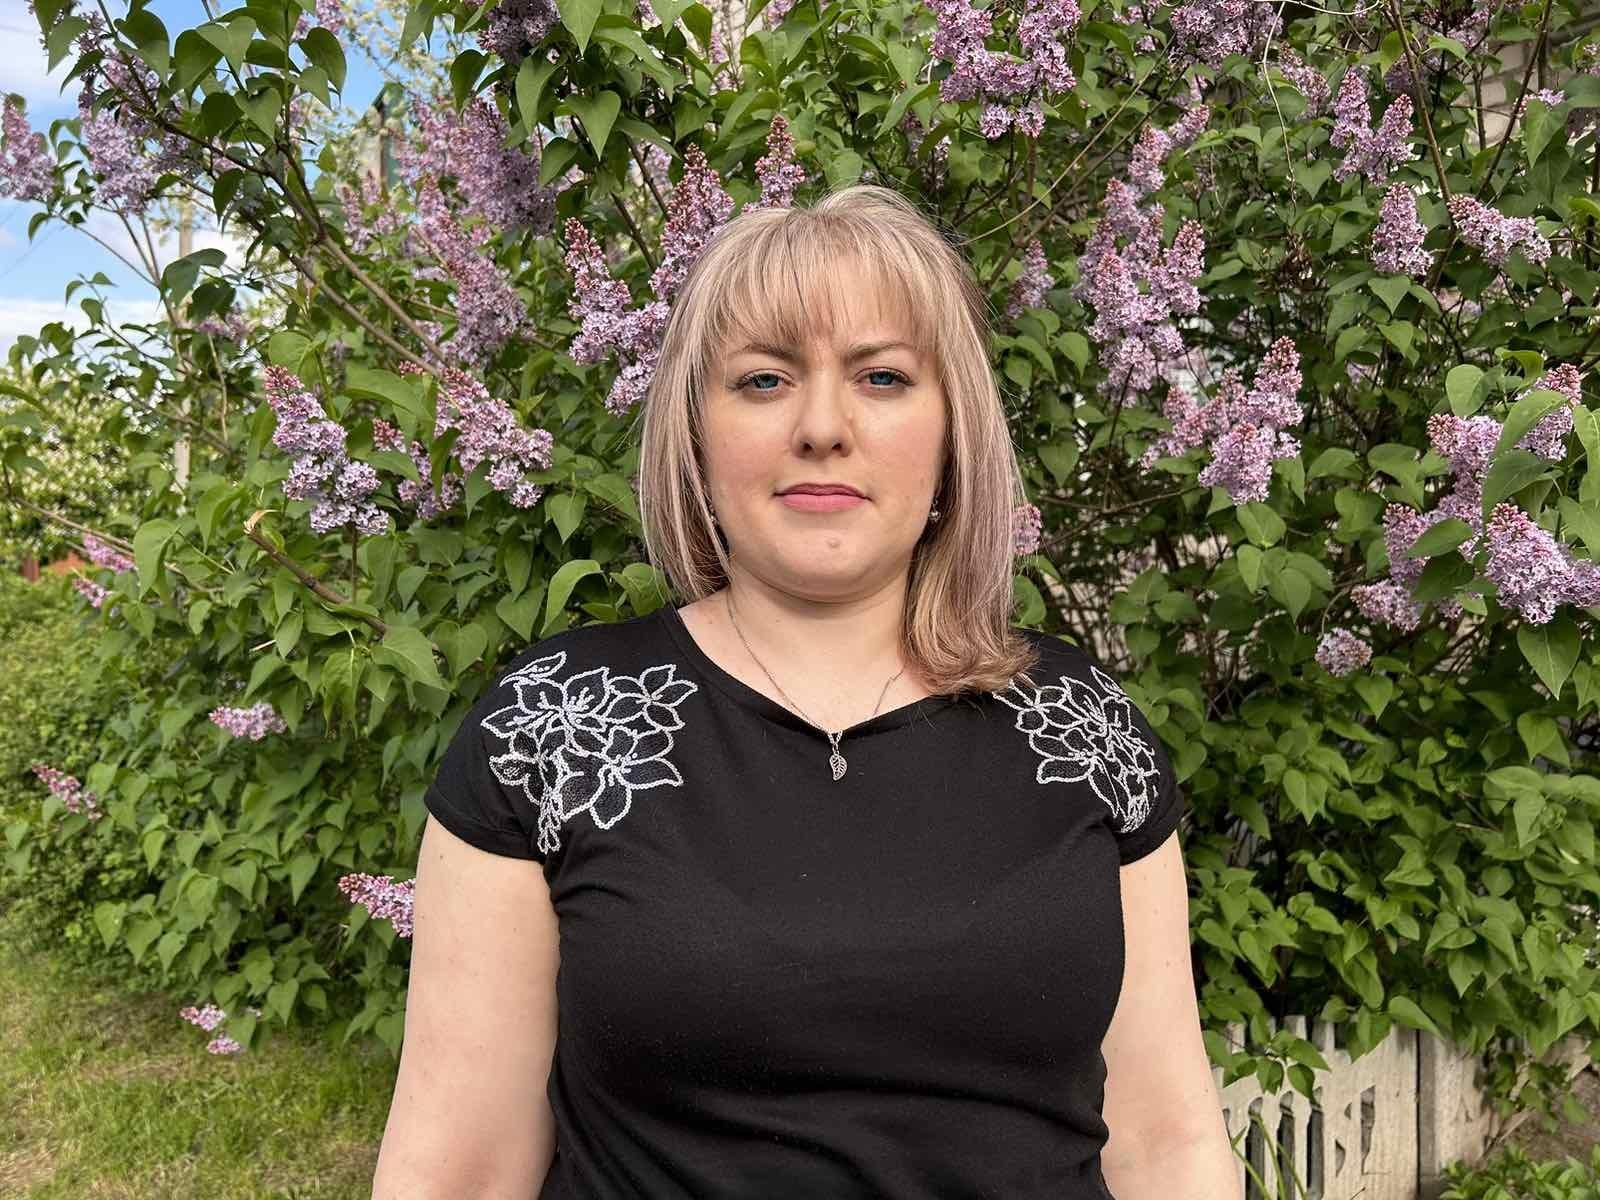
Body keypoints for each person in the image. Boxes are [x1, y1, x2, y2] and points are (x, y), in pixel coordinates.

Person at [372, 184, 1238, 1198]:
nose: (823, 426)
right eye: (764, 380)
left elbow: (1165, 1141)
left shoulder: (1083, 728)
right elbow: (461, 1171)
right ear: (696, 434)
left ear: (952, 433)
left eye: (882, 376)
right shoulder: (550, 729)